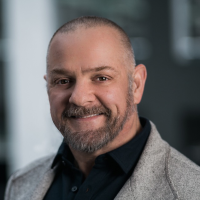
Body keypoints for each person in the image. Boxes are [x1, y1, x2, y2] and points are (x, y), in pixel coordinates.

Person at [4, 16, 200, 200]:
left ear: (136, 85)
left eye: (101, 78)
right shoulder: (20, 185)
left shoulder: (191, 192)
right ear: (48, 88)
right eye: (63, 81)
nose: (79, 98)